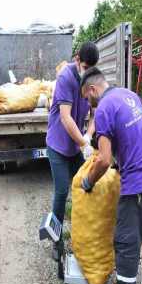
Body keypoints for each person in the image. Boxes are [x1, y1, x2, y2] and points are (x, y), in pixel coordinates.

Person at [80, 67, 142, 284]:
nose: (89, 103)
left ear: (93, 90)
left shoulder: (104, 107)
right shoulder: (130, 96)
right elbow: (134, 137)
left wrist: (88, 182)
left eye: (87, 98)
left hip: (139, 183)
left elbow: (104, 159)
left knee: (127, 241)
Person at [46, 41, 99, 260]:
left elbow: (96, 112)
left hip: (77, 144)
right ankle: (56, 241)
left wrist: (89, 135)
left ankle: (86, 234)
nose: (87, 72)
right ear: (77, 59)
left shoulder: (93, 78)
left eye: (91, 68)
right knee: (61, 192)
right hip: (59, 145)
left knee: (89, 184)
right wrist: (84, 144)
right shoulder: (66, 78)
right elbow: (66, 118)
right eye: (85, 67)